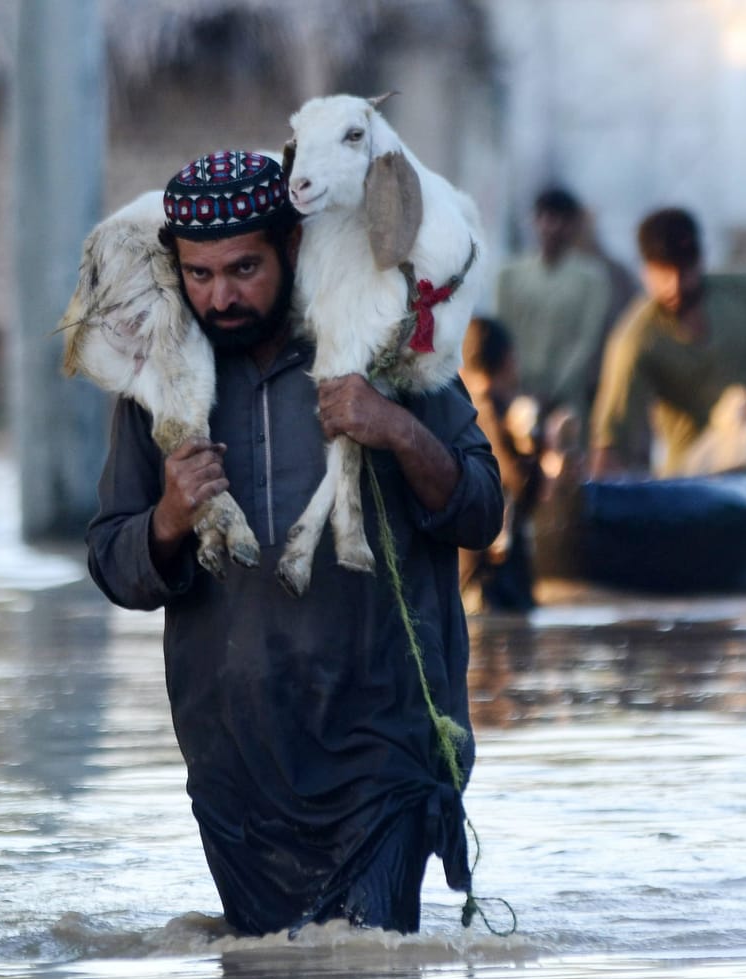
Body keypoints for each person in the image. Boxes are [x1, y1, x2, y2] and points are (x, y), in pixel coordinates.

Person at [85, 151, 503, 935]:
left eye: (244, 269)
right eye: (200, 275)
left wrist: (399, 430)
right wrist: (170, 517)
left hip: (382, 740)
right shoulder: (163, 384)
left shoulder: (385, 342)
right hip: (236, 757)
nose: (221, 296)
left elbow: (481, 515)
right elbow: (115, 564)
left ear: (294, 246)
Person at [589, 208, 746, 479]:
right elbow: (611, 436)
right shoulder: (635, 338)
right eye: (663, 274)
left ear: (700, 261)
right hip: (693, 464)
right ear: (646, 272)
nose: (676, 286)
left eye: (684, 271)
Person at [493, 188, 618, 436]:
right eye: (545, 218)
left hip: (567, 403)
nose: (552, 227)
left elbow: (587, 342)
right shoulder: (509, 276)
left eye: (560, 220)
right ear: (534, 221)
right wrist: (518, 389)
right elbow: (502, 334)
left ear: (574, 225)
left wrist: (554, 392)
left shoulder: (592, 278)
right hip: (517, 398)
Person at [458, 317, 540, 613]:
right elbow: (517, 481)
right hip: (492, 583)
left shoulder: (459, 410)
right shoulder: (491, 410)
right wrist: (533, 451)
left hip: (469, 572)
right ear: (508, 361)